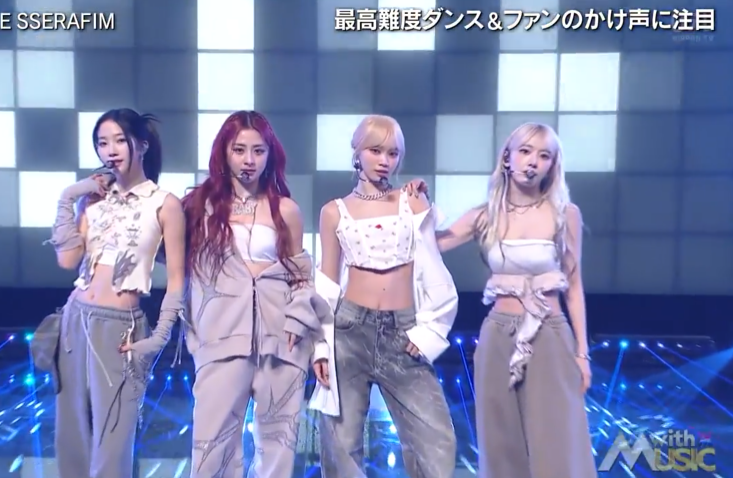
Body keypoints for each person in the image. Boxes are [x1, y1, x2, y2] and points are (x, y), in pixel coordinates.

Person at [412, 122, 596, 477]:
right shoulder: (486, 215)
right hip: (498, 334)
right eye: (525, 151)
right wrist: (419, 205)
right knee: (500, 439)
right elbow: (432, 243)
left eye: (544, 155)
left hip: (550, 333)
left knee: (556, 438)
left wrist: (582, 353)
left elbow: (574, 287)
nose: (532, 162)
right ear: (507, 159)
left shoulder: (565, 214)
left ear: (552, 165)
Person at [163, 110, 331, 478]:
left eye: (258, 150)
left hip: (283, 345)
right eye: (239, 150)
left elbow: (301, 279)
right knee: (212, 451)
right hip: (220, 343)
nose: (249, 160)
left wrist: (302, 325)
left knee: (278, 452)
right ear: (224, 153)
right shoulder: (197, 208)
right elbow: (166, 254)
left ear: (271, 155)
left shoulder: (286, 210)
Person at [39, 108, 187, 478]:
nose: (110, 150)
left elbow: (178, 278)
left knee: (114, 439)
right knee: (72, 433)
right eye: (102, 143)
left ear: (142, 145)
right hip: (75, 322)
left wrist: (160, 336)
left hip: (121, 328)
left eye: (120, 140)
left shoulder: (164, 203)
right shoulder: (93, 202)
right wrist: (68, 197)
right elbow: (68, 260)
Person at [311, 114, 459, 478]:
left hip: (404, 335)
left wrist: (430, 330)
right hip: (348, 332)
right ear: (357, 152)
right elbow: (327, 283)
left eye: (393, 153)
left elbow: (434, 268)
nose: (384, 160)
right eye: (375, 151)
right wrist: (320, 348)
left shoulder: (411, 202)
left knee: (437, 444)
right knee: (341, 448)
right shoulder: (334, 211)